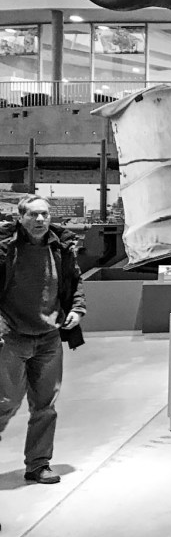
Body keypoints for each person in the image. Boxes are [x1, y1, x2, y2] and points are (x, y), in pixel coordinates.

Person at [0, 195, 86, 485]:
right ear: (20, 218)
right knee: (6, 402)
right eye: (33, 215)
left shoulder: (61, 247)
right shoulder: (5, 247)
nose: (40, 220)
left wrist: (77, 309)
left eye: (44, 214)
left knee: (45, 406)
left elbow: (74, 281)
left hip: (49, 337)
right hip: (11, 336)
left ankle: (38, 464)